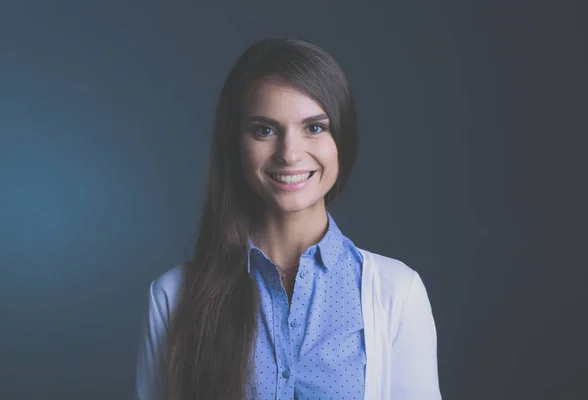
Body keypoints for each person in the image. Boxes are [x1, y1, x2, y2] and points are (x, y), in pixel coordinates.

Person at [134, 38, 441, 400]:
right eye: (265, 130)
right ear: (236, 144)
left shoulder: (395, 293)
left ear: (343, 137)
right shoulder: (174, 297)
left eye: (314, 127)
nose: (290, 153)